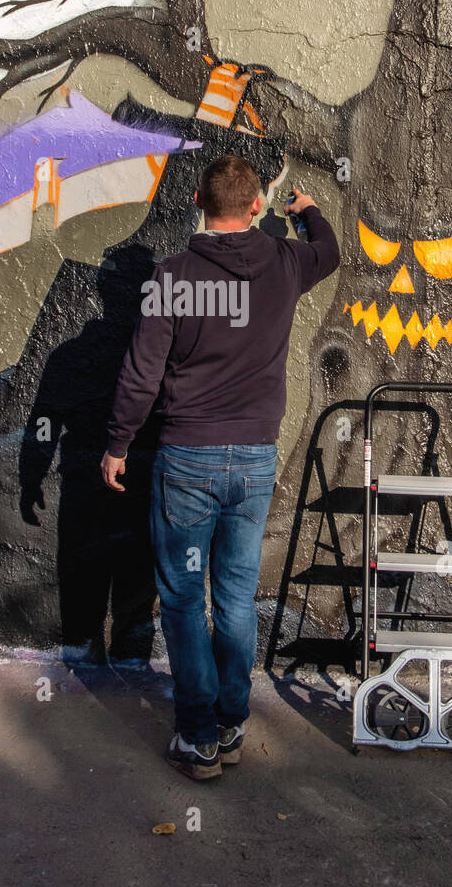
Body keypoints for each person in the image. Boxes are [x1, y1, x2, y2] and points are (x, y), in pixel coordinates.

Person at [100, 154, 340, 779]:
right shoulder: (285, 263)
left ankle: (198, 735)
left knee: (182, 598)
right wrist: (307, 208)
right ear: (257, 205)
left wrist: (119, 442)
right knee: (234, 595)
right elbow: (329, 249)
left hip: (188, 462)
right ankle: (230, 726)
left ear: (199, 205)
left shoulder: (172, 277)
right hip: (256, 460)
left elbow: (141, 372)